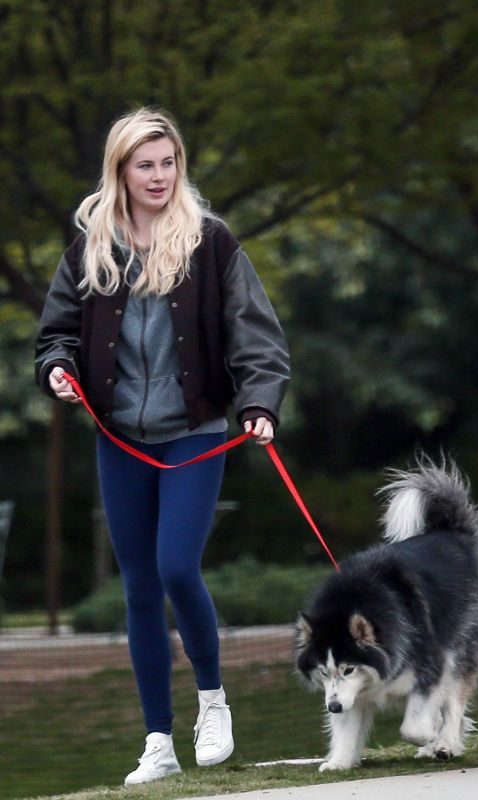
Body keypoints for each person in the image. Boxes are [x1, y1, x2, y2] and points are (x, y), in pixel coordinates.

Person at [35, 107, 290, 786]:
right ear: (120, 170)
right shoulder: (91, 245)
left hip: (195, 433)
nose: (158, 175)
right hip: (119, 439)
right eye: (144, 164)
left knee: (177, 566)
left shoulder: (211, 242)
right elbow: (55, 332)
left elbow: (256, 338)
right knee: (140, 590)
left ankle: (212, 701)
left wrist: (259, 405)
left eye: (167, 162)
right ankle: (158, 741)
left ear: (179, 166)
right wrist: (58, 369)